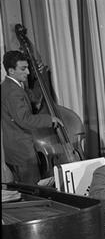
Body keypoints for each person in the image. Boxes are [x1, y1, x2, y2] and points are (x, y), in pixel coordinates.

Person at [1, 50, 63, 184]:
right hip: (22, 151)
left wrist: (40, 75)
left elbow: (34, 98)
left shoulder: (11, 86)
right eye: (23, 68)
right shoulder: (13, 91)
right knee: (32, 189)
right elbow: (24, 119)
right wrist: (49, 119)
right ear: (11, 71)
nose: (28, 72)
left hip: (14, 148)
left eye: (28, 68)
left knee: (24, 189)